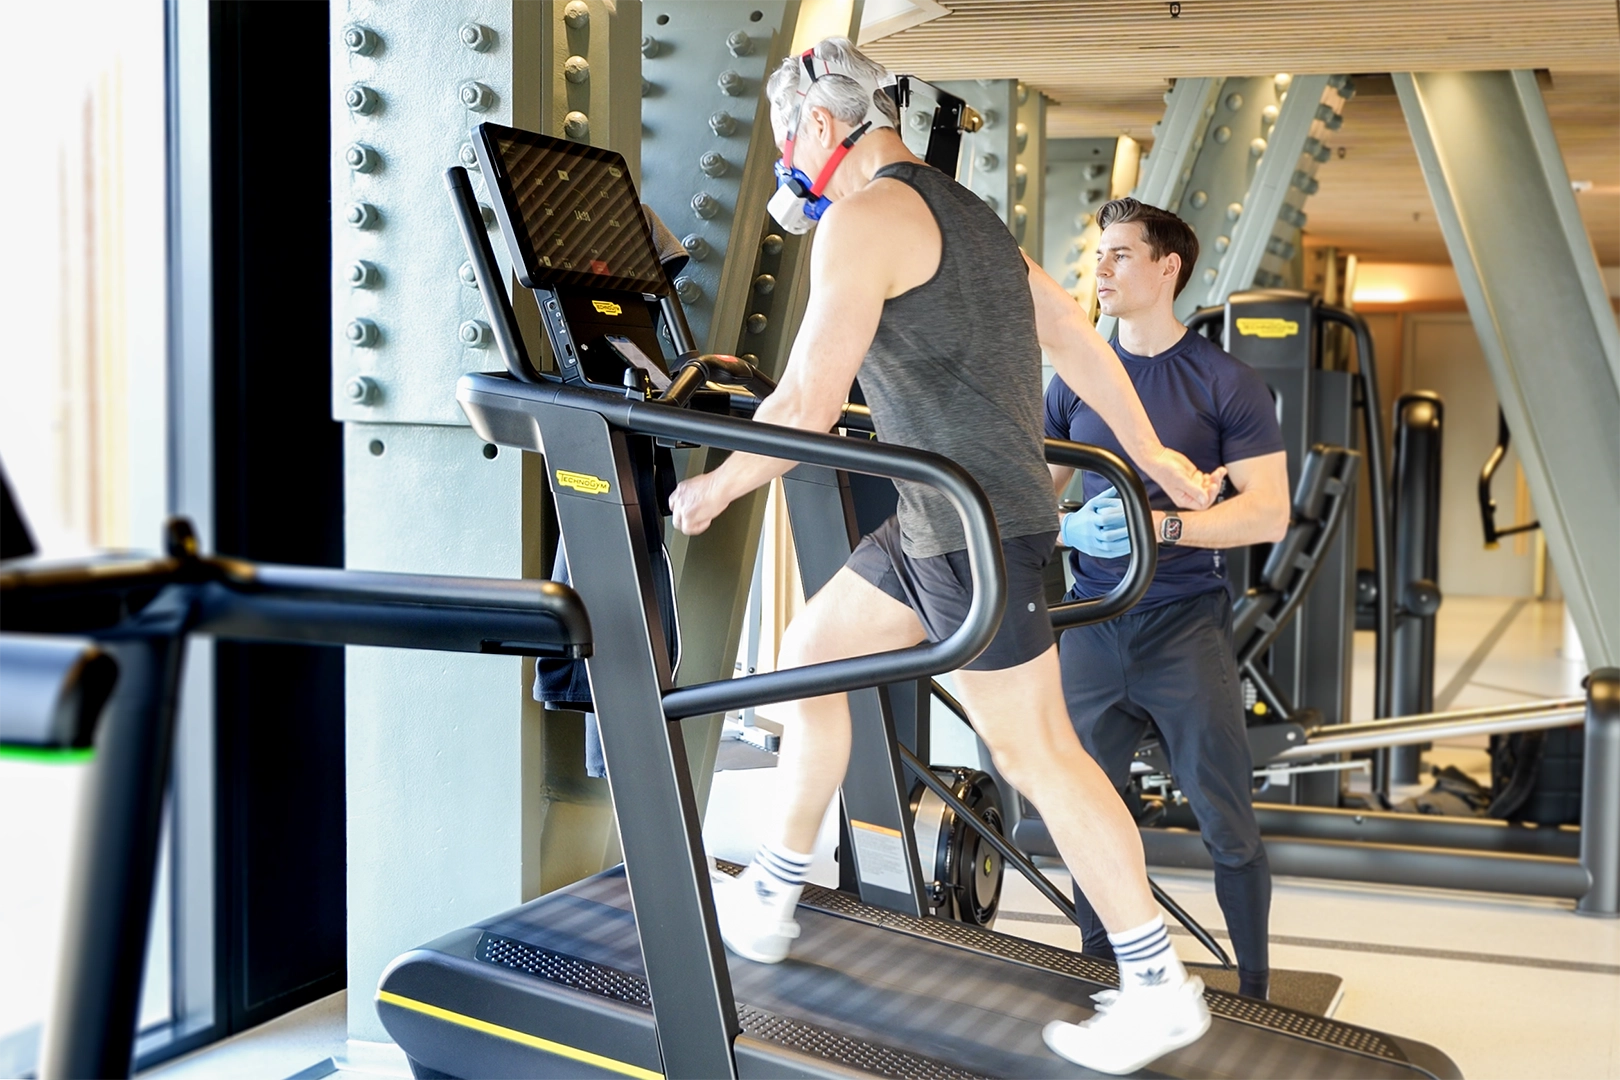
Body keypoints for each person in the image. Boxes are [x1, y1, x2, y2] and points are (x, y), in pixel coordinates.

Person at [669, 38, 1223, 1075]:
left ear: (820, 129)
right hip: (940, 520)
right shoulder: (971, 217)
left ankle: (1157, 986)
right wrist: (1151, 453)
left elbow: (806, 406)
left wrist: (711, 487)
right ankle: (776, 888)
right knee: (806, 658)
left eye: (789, 139)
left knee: (1040, 754)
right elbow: (1076, 337)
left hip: (976, 531)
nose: (789, 157)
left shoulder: (862, 221)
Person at [1047, 197, 1289, 1000]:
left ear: (1166, 268)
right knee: (1086, 813)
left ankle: (1254, 991)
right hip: (1089, 624)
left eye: (1120, 254)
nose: (1101, 270)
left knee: (1227, 820)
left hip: (1184, 625)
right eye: (1099, 255)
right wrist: (1070, 527)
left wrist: (1169, 529)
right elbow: (1032, 504)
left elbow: (1268, 511)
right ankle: (1103, 976)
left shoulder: (1225, 381)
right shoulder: (1074, 380)